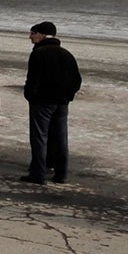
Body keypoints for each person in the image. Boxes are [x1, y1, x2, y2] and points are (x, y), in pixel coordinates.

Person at [22, 21, 82, 185]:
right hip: (62, 103)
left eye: (33, 33)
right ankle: (61, 173)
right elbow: (77, 80)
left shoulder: (39, 54)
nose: (30, 36)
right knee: (60, 137)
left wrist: (31, 96)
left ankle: (38, 173)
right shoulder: (66, 54)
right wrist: (68, 96)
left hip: (43, 102)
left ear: (42, 34)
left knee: (39, 137)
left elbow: (33, 80)